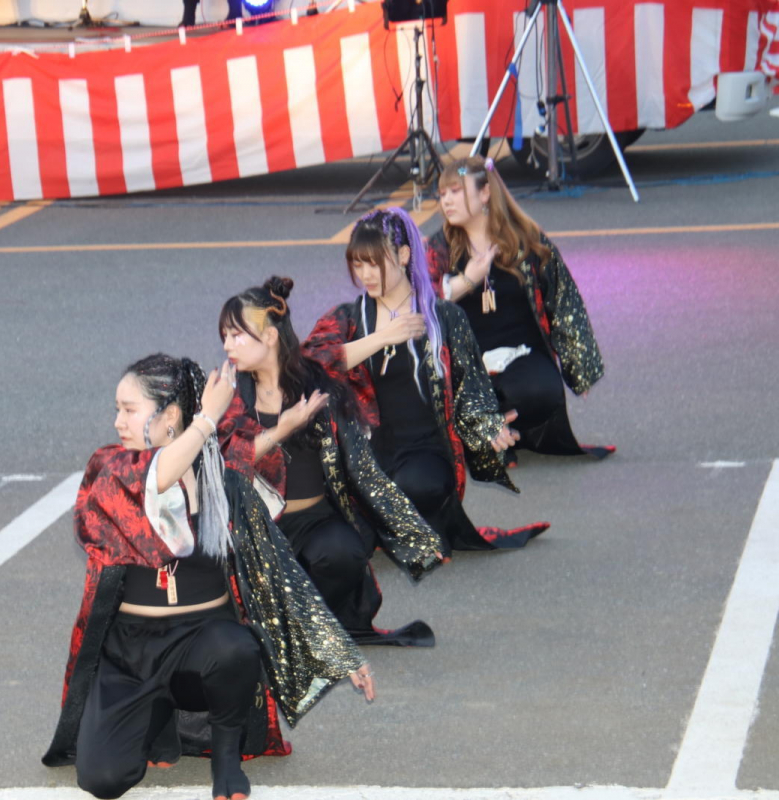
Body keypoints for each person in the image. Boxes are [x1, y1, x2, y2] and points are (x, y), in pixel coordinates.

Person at [43, 354, 373, 800]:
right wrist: (206, 419)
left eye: (129, 409)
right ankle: (155, 714)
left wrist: (341, 652)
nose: (118, 421)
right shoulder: (111, 468)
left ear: (170, 416)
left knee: (236, 647)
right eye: (117, 409)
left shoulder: (219, 476)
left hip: (201, 639)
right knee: (102, 779)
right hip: (129, 651)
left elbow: (279, 571)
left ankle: (226, 759)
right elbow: (155, 480)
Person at [305, 207, 548, 557]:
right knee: (350, 522)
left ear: (404, 255)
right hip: (366, 453)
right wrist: (382, 337)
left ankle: (403, 523)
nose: (365, 275)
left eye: (374, 263)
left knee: (416, 487)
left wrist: (488, 426)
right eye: (358, 265)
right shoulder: (350, 317)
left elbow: (471, 388)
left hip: (424, 450)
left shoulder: (445, 317)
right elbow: (311, 363)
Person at [217, 276, 442, 647]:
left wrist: (409, 528)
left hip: (314, 518)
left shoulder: (312, 377)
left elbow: (339, 356)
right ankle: (286, 628)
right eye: (225, 336)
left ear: (270, 336)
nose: (227, 345)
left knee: (344, 552)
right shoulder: (228, 390)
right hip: (259, 526)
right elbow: (226, 460)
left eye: (236, 335)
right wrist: (283, 428)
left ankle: (311, 627)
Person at [428, 155, 611, 466]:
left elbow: (563, 299)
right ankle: (483, 434)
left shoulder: (526, 240)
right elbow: (418, 304)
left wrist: (579, 367)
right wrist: (467, 281)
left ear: (485, 193)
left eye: (456, 191)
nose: (447, 201)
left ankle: (499, 428)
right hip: (465, 365)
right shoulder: (439, 247)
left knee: (541, 391)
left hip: (520, 354)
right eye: (442, 194)